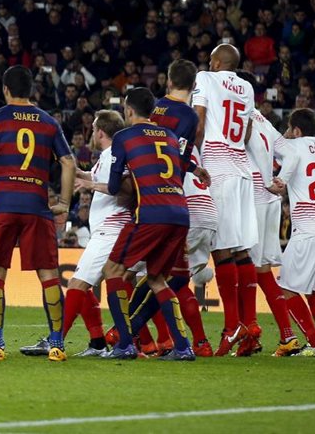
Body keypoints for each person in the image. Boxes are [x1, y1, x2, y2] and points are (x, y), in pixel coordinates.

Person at [0, 66, 77, 362]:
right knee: (49, 275)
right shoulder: (49, 122)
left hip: (2, 204)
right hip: (36, 204)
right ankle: (57, 345)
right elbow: (67, 161)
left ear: (5, 89)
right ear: (32, 91)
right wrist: (63, 201)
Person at [96, 88, 209, 361]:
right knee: (158, 279)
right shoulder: (169, 135)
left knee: (112, 270)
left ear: (129, 110)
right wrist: (196, 169)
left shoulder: (123, 137)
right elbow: (181, 161)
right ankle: (183, 347)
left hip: (151, 213)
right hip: (180, 214)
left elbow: (113, 187)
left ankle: (124, 344)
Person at [123, 60, 216, 357]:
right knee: (171, 277)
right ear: (194, 87)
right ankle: (151, 335)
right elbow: (174, 156)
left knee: (144, 274)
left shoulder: (155, 107)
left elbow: (151, 145)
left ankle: (139, 334)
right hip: (173, 199)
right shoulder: (189, 116)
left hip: (143, 194)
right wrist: (193, 167)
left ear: (166, 81)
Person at [192, 44, 259, 356]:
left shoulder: (205, 78)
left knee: (222, 250)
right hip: (243, 169)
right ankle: (251, 325)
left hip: (218, 168)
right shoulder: (246, 87)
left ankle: (232, 326)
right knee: (242, 250)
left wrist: (189, 156)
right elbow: (245, 134)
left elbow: (200, 122)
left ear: (216, 62)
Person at [265, 108, 315, 357]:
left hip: (310, 225)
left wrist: (277, 181)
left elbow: (282, 153)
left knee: (286, 286)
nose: (286, 133)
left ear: (296, 131)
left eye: (288, 128)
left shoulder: (293, 147)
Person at [240, 71, 297, 357]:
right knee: (262, 272)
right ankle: (287, 336)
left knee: (242, 267)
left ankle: (250, 331)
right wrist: (280, 181)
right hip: (269, 202)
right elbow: (292, 155)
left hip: (250, 197)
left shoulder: (240, 117)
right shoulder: (264, 120)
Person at [63, 110, 128, 357]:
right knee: (85, 286)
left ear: (100, 131)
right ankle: (98, 342)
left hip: (111, 230)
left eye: (93, 128)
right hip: (106, 230)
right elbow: (101, 178)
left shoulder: (114, 155)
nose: (90, 132)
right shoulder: (107, 156)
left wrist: (89, 184)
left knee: (77, 285)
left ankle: (56, 339)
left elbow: (121, 188)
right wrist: (82, 174)